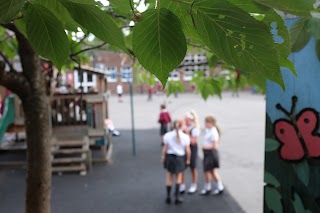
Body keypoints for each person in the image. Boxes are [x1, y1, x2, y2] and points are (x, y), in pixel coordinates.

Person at [161, 120, 191, 205]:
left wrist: (163, 157)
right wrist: (188, 159)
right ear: (181, 126)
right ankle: (177, 197)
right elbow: (188, 150)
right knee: (179, 177)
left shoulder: (167, 135)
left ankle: (168, 196)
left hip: (170, 157)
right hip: (180, 158)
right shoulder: (185, 137)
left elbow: (165, 148)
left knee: (169, 176)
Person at [200, 115, 224, 195]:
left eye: (206, 123)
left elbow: (215, 146)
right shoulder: (209, 130)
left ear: (211, 123)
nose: (205, 124)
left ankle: (208, 187)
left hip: (211, 153)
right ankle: (217, 186)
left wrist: (205, 147)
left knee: (208, 171)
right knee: (211, 171)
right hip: (208, 153)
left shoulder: (213, 132)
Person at [180, 110, 200, 194]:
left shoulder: (194, 128)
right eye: (185, 119)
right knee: (182, 168)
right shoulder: (183, 127)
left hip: (192, 149)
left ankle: (194, 184)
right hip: (183, 149)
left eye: (187, 120)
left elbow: (193, 141)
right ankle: (182, 184)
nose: (186, 121)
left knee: (193, 167)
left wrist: (187, 133)